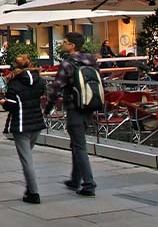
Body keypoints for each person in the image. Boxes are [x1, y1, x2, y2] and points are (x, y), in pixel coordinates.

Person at [46, 31, 98, 197]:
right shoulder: (91, 61)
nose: (62, 43)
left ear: (72, 46)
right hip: (89, 105)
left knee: (79, 145)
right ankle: (75, 179)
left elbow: (57, 86)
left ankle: (89, 184)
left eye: (65, 41)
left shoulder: (68, 64)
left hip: (74, 106)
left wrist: (49, 105)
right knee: (76, 142)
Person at [0, 55, 46, 204]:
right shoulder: (39, 80)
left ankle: (33, 192)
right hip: (37, 122)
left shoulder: (15, 83)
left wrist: (3, 102)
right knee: (28, 157)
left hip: (21, 123)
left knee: (27, 161)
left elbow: (11, 104)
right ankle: (30, 188)